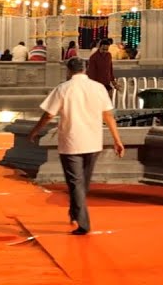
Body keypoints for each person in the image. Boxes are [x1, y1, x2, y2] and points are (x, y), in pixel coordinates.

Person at [27, 57, 125, 234]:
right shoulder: (98, 88)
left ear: (68, 70)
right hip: (93, 140)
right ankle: (75, 212)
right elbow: (108, 115)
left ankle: (83, 222)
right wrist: (117, 140)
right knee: (83, 182)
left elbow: (49, 115)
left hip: (72, 141)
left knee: (75, 182)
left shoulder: (64, 88)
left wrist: (35, 131)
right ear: (85, 69)